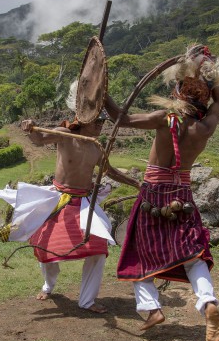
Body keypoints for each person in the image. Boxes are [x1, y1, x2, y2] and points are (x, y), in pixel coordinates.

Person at [105, 44, 219, 341]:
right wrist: (207, 73)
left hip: (153, 195)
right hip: (182, 195)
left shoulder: (164, 118)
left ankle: (151, 309)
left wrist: (100, 91)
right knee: (194, 255)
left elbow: (119, 117)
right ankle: (208, 304)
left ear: (178, 88)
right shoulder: (206, 126)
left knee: (137, 252)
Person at [21, 112, 139, 313]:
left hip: (84, 203)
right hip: (59, 201)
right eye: (98, 121)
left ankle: (87, 300)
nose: (101, 125)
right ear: (85, 120)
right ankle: (48, 286)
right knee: (47, 249)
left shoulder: (96, 147)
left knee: (98, 249)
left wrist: (136, 183)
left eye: (103, 122)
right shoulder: (64, 134)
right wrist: (30, 127)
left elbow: (109, 171)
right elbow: (39, 140)